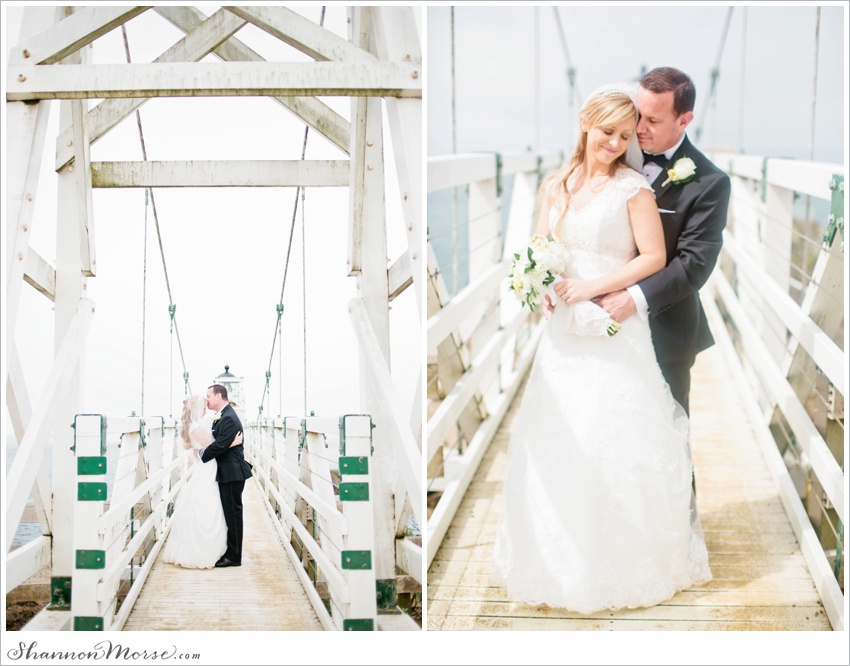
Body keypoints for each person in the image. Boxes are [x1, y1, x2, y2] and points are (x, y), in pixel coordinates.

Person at [491, 82, 712, 613]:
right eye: (606, 132)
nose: (614, 143)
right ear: (585, 124)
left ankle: (629, 562)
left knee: (610, 433)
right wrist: (542, 285)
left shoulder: (634, 189)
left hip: (612, 324)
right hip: (563, 330)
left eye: (623, 134)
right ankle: (559, 560)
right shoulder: (557, 185)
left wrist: (593, 288)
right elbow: (541, 247)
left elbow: (654, 257)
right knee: (559, 435)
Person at [162, 394, 242, 569]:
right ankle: (206, 550)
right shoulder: (196, 427)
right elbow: (214, 447)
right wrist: (233, 442)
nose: (206, 410)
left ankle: (220, 549)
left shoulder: (193, 425)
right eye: (204, 407)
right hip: (208, 468)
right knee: (208, 505)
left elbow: (205, 448)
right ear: (196, 409)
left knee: (209, 505)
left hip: (207, 465)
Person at [201, 384, 253, 568]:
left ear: (218, 396)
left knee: (233, 515)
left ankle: (234, 556)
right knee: (231, 513)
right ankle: (231, 551)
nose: (205, 399)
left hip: (232, 473)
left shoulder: (229, 417)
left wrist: (201, 456)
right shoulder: (224, 415)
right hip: (228, 471)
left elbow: (220, 446)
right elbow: (221, 443)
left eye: (208, 396)